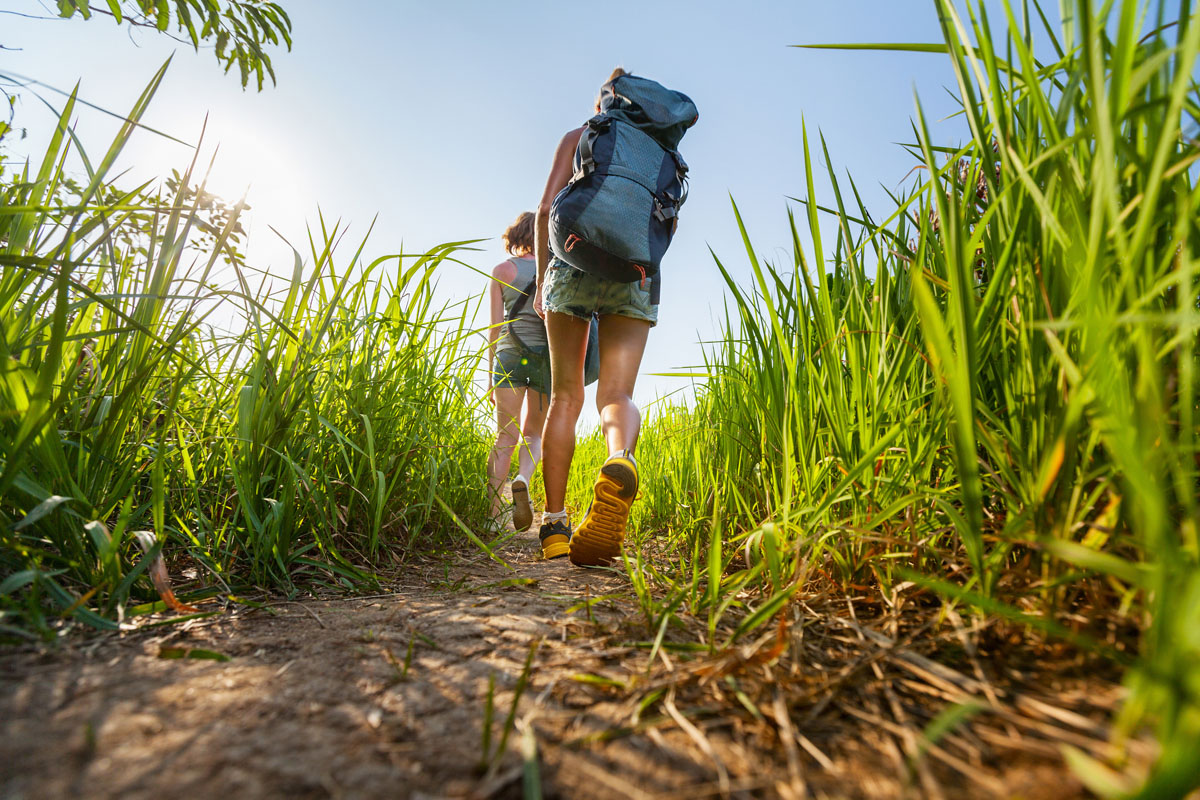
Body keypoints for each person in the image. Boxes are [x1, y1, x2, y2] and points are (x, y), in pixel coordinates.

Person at [532, 68, 664, 566]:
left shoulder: (580, 135)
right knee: (617, 394)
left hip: (571, 261)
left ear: (603, 101)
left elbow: (547, 207)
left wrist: (546, 278)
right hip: (636, 271)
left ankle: (554, 526)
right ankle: (618, 458)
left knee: (565, 396)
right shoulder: (657, 150)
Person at [486, 211, 549, 533]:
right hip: (545, 361)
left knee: (504, 437)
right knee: (533, 434)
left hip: (509, 359)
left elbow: (495, 328)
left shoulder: (501, 271)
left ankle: (495, 516)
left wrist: (488, 373)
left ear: (515, 237)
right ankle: (522, 478)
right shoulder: (554, 271)